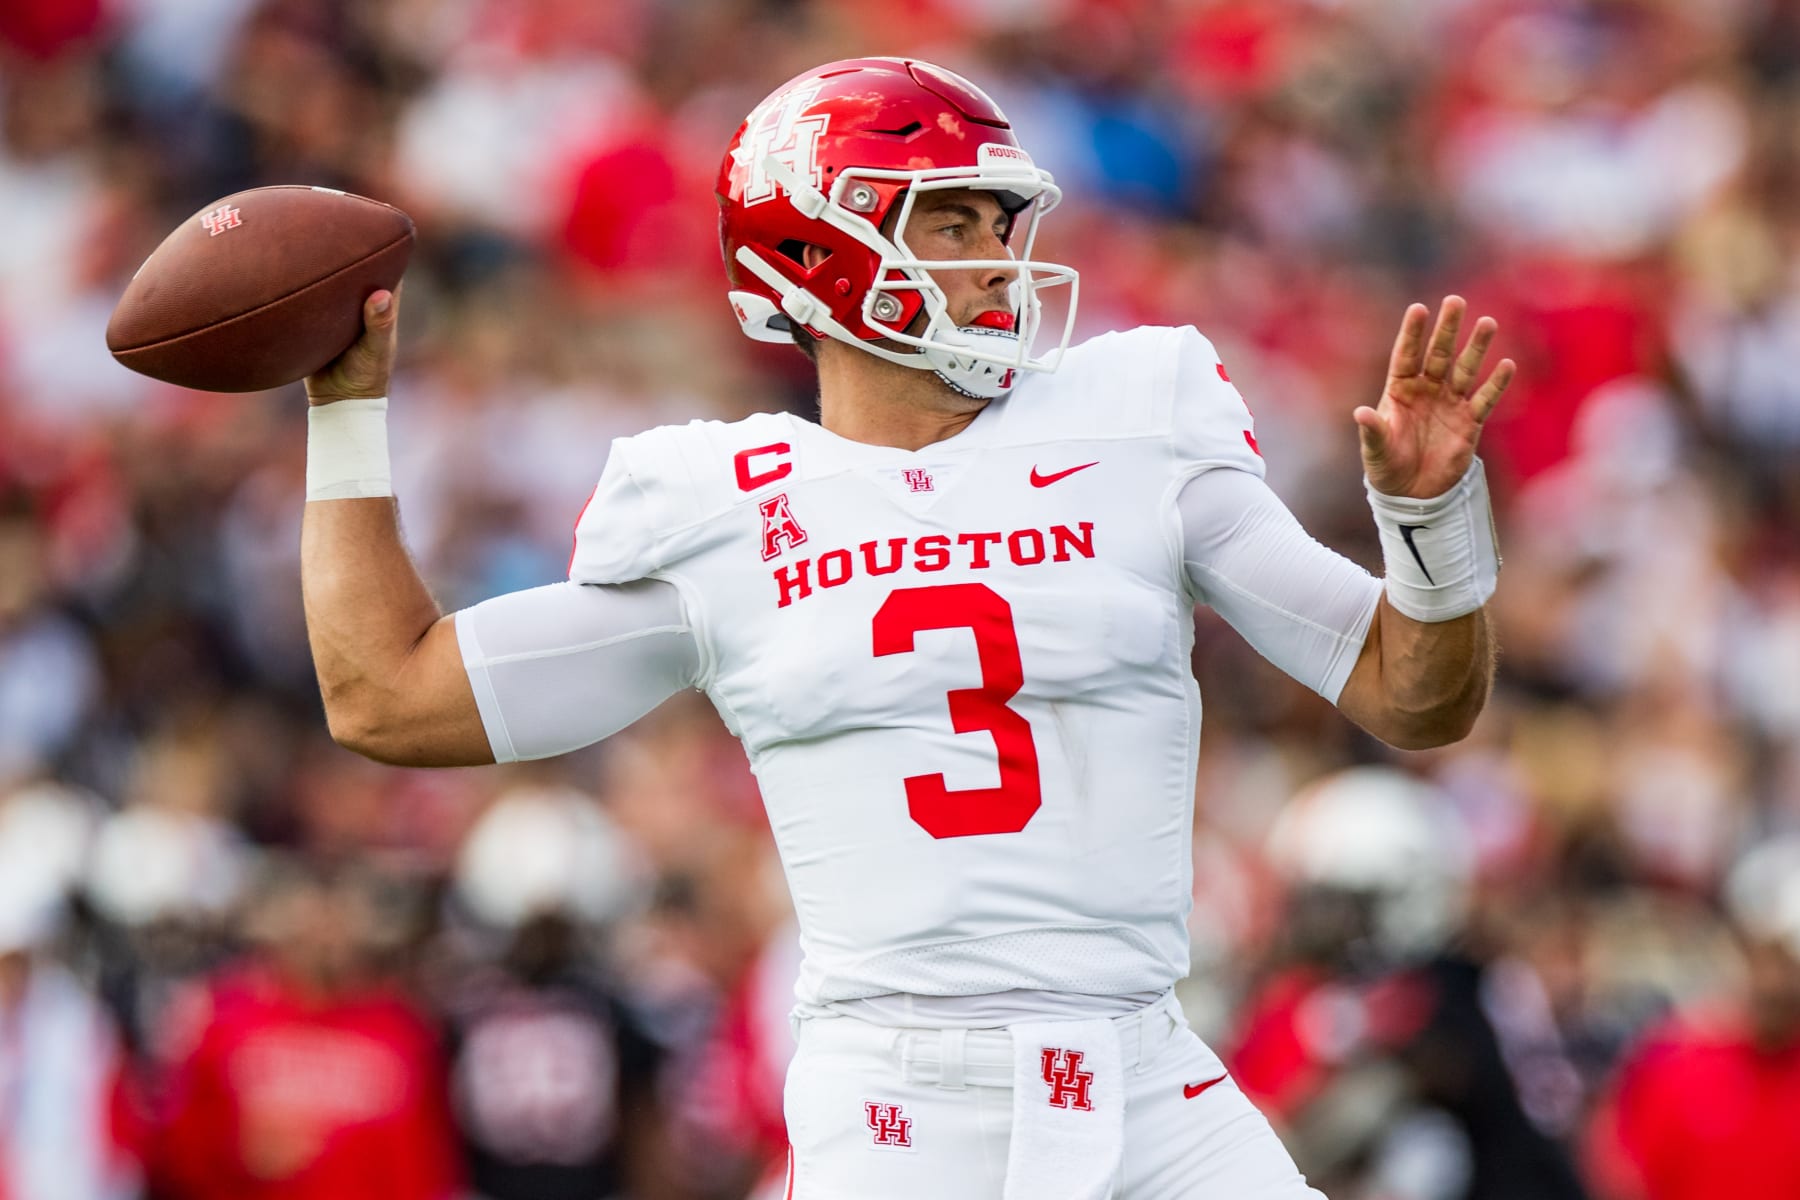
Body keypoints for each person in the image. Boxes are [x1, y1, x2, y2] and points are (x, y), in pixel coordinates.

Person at [296, 56, 1511, 1200]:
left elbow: (1416, 697)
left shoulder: (1136, 427)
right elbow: (386, 698)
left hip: (1147, 1080)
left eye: (1000, 223)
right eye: (953, 222)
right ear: (821, 246)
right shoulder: (727, 508)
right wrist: (347, 413)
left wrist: (1430, 517)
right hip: (899, 1109)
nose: (997, 259)